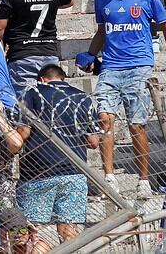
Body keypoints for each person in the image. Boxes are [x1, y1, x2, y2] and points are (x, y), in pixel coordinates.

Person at [77, 0, 166, 197]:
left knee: (136, 125)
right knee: (104, 119)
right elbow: (102, 31)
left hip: (139, 65)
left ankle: (143, 179)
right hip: (111, 66)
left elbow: (165, 25)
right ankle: (109, 178)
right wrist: (91, 54)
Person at [16, 64, 101, 249]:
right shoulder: (82, 97)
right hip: (74, 172)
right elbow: (93, 142)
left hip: (37, 172)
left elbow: (23, 132)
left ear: (42, 79)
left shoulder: (32, 93)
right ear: (63, 78)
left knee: (31, 234)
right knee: (68, 231)